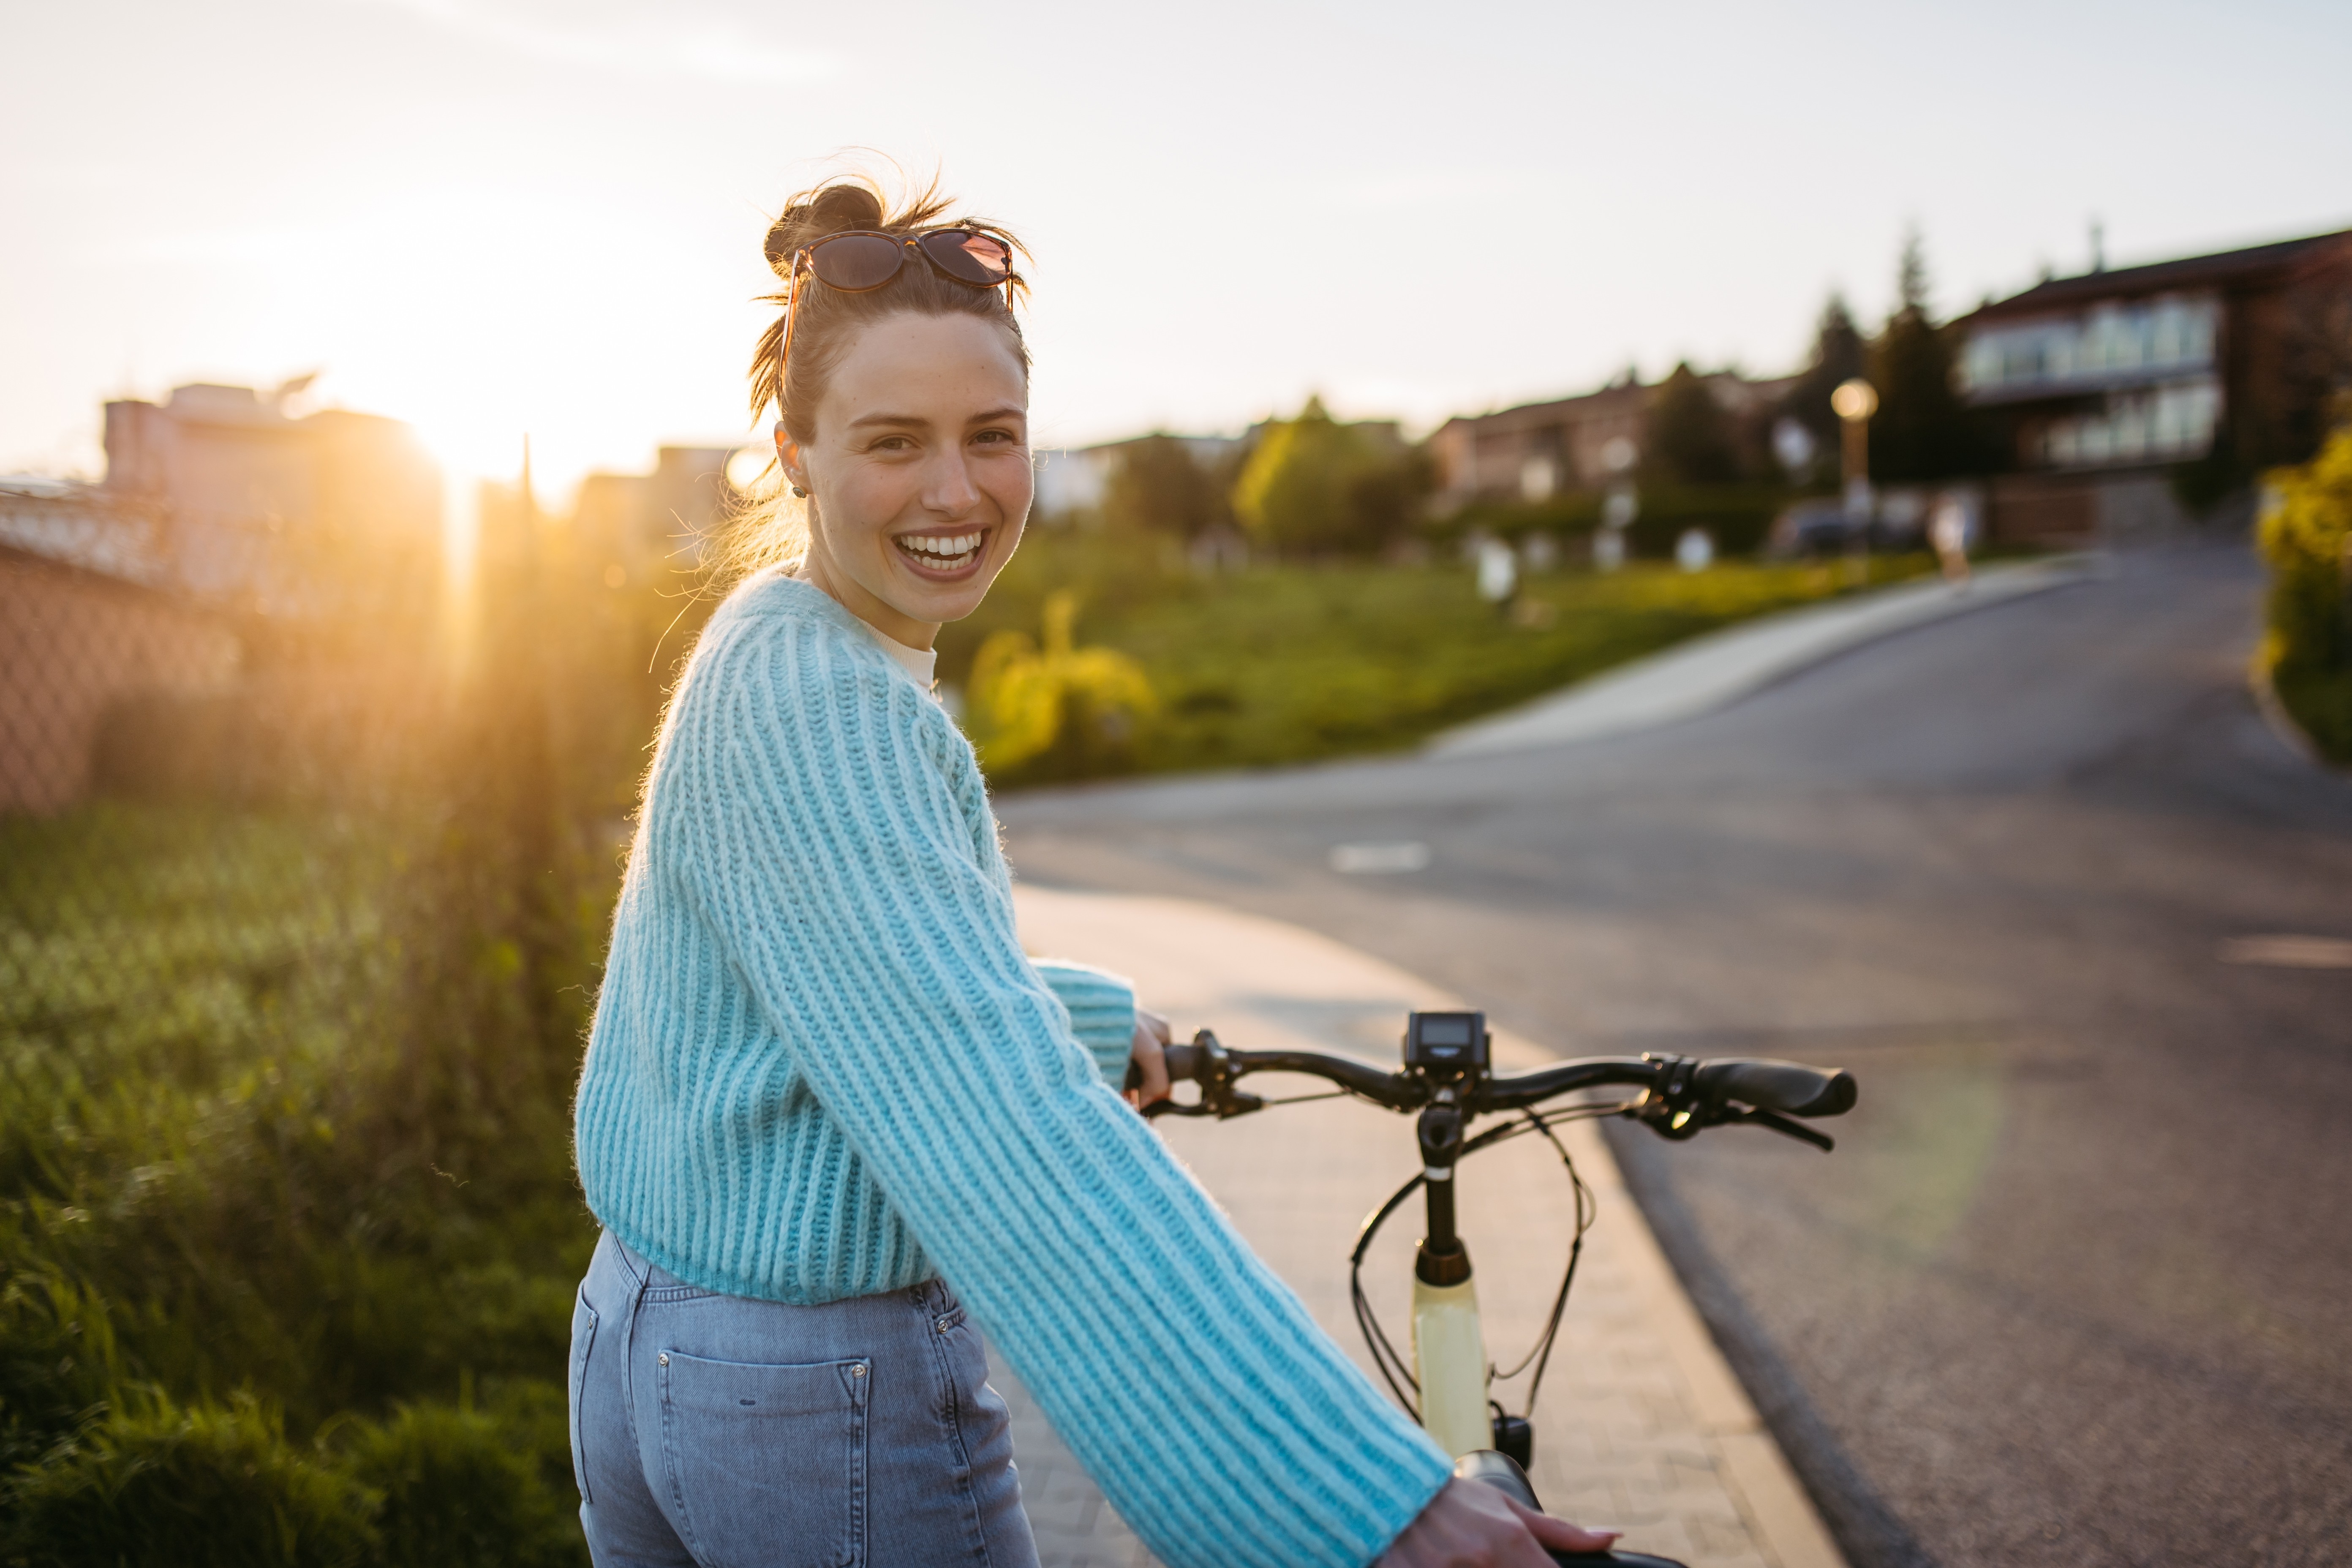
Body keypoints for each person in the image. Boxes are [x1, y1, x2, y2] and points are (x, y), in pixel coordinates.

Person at [567, 173, 1620, 1568]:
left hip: (654, 1339)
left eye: (992, 437)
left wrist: (1101, 1026)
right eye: (894, 441)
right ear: (795, 449)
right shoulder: (827, 706)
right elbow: (1004, 1136)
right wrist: (1371, 1510)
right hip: (816, 1397)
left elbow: (846, 991)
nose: (956, 492)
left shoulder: (775, 642)